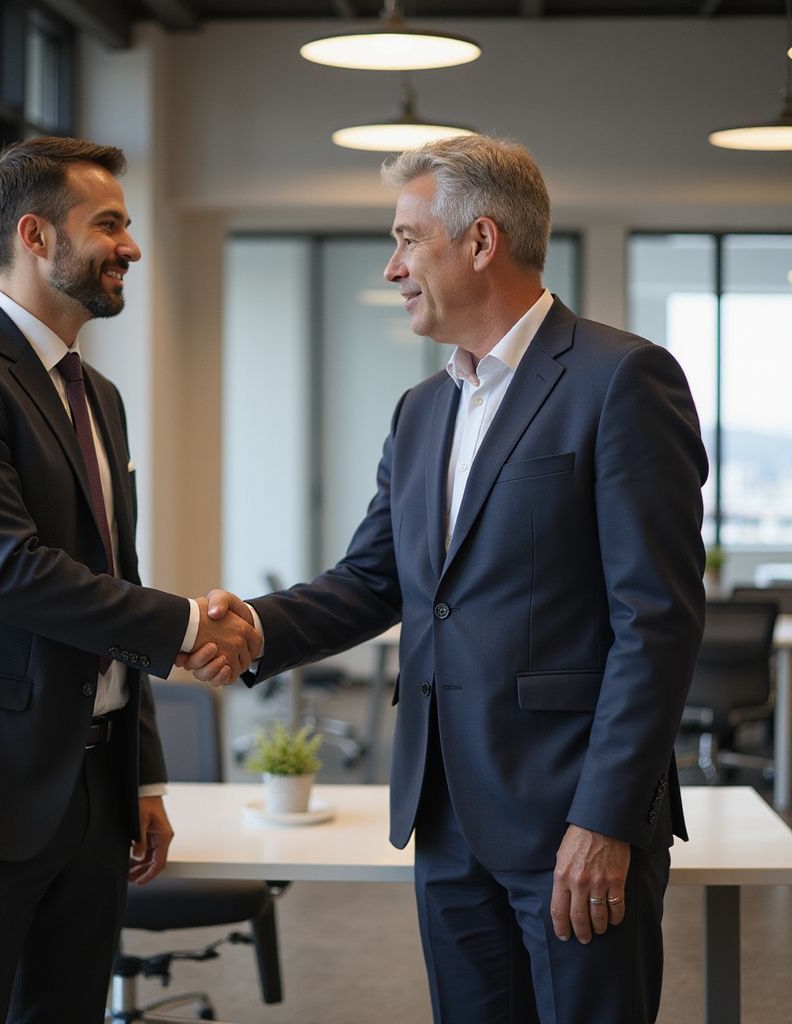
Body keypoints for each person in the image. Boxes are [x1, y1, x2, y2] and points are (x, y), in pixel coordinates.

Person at [184, 135, 707, 1023]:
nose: (392, 268)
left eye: (406, 239)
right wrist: (253, 628)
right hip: (446, 814)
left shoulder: (622, 380)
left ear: (479, 242)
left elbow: (655, 623)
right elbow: (373, 578)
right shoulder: (423, 409)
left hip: (569, 816)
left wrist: (606, 819)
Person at [0, 135, 261, 1024]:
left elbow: (115, 579)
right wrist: (192, 625)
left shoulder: (96, 395)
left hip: (90, 796)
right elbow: (11, 575)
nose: (132, 247)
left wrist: (143, 778)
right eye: (108, 224)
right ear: (35, 236)